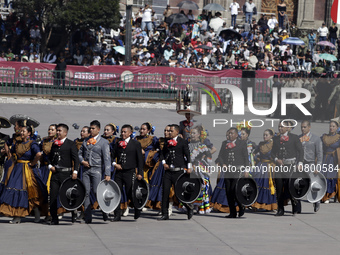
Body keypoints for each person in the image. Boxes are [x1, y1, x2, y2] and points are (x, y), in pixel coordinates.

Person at [0, 121, 46, 224]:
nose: (21, 133)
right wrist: (11, 159)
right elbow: (10, 151)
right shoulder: (17, 143)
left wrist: (33, 163)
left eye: (23, 131)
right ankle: (17, 216)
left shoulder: (32, 143)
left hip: (28, 170)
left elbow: (38, 154)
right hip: (17, 169)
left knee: (31, 192)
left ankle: (36, 212)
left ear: (29, 133)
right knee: (15, 190)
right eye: (20, 131)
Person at [158, 124, 193, 220]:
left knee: (179, 192)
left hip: (178, 171)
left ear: (177, 132)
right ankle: (165, 213)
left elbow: (187, 155)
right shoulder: (166, 142)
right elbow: (162, 154)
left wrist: (189, 167)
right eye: (168, 131)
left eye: (171, 131)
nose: (169, 133)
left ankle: (189, 207)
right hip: (168, 172)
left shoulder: (182, 142)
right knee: (165, 192)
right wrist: (164, 163)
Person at [79, 120, 111, 223]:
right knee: (86, 192)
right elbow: (79, 153)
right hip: (86, 170)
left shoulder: (104, 142)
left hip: (97, 169)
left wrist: (107, 173)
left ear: (98, 129)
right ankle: (88, 216)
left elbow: (107, 159)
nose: (91, 130)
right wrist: (82, 161)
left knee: (97, 191)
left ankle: (105, 211)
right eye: (90, 128)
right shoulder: (85, 141)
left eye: (93, 128)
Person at [48, 124, 79, 225]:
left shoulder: (71, 144)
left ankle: (74, 211)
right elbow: (50, 158)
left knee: (68, 195)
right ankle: (54, 218)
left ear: (65, 132)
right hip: (56, 174)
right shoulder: (54, 144)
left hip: (66, 174)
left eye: (60, 131)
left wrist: (75, 172)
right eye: (57, 131)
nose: (57, 132)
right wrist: (50, 166)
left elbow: (76, 159)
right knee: (52, 197)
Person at [111, 124, 144, 221]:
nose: (122, 133)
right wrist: (114, 164)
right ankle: (117, 214)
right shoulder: (118, 143)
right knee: (117, 192)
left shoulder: (135, 144)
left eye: (125, 132)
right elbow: (112, 156)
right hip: (119, 172)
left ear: (130, 133)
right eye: (122, 131)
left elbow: (139, 160)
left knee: (130, 192)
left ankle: (137, 208)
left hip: (130, 172)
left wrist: (140, 173)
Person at [271, 120, 304, 216]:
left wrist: (300, 163)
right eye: (279, 126)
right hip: (279, 166)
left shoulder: (294, 137)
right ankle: (280, 209)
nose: (280, 128)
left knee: (290, 187)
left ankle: (295, 207)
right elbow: (272, 153)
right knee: (279, 187)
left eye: (282, 126)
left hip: (290, 166)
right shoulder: (276, 138)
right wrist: (276, 159)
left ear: (287, 127)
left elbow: (300, 151)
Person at [215, 127, 249, 218]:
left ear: (236, 135)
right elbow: (220, 156)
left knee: (235, 190)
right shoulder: (224, 143)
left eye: (231, 133)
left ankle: (241, 206)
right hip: (227, 171)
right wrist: (223, 164)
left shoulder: (242, 143)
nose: (229, 135)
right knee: (228, 191)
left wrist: (246, 170)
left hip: (238, 171)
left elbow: (246, 157)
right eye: (229, 133)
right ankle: (232, 212)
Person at [299, 121, 323, 212]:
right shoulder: (298, 138)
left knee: (313, 184)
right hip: (301, 164)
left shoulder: (316, 139)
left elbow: (320, 154)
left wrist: (318, 167)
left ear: (309, 127)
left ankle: (316, 201)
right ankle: (298, 207)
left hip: (311, 164)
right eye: (302, 127)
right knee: (299, 184)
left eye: (304, 127)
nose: (303, 129)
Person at [252, 129, 277, 211]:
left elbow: (275, 155)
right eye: (264, 135)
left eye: (267, 135)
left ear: (271, 136)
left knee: (267, 185)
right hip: (260, 166)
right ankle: (255, 204)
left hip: (269, 167)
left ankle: (268, 205)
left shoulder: (273, 145)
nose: (265, 136)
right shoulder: (260, 144)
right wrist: (257, 157)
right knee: (257, 183)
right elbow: (254, 154)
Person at [189, 126, 212, 214]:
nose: (192, 135)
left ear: (199, 135)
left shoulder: (202, 146)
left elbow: (209, 155)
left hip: (198, 169)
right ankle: (190, 204)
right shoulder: (188, 144)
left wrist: (201, 161)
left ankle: (199, 206)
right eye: (191, 133)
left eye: (194, 133)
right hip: (189, 168)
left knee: (201, 187)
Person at [321, 120, 340, 203]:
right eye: (330, 126)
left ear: (337, 128)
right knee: (323, 176)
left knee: (331, 177)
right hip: (324, 158)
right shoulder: (324, 137)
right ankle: (322, 195)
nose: (331, 128)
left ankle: (329, 195)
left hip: (334, 159)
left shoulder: (339, 138)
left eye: (333, 126)